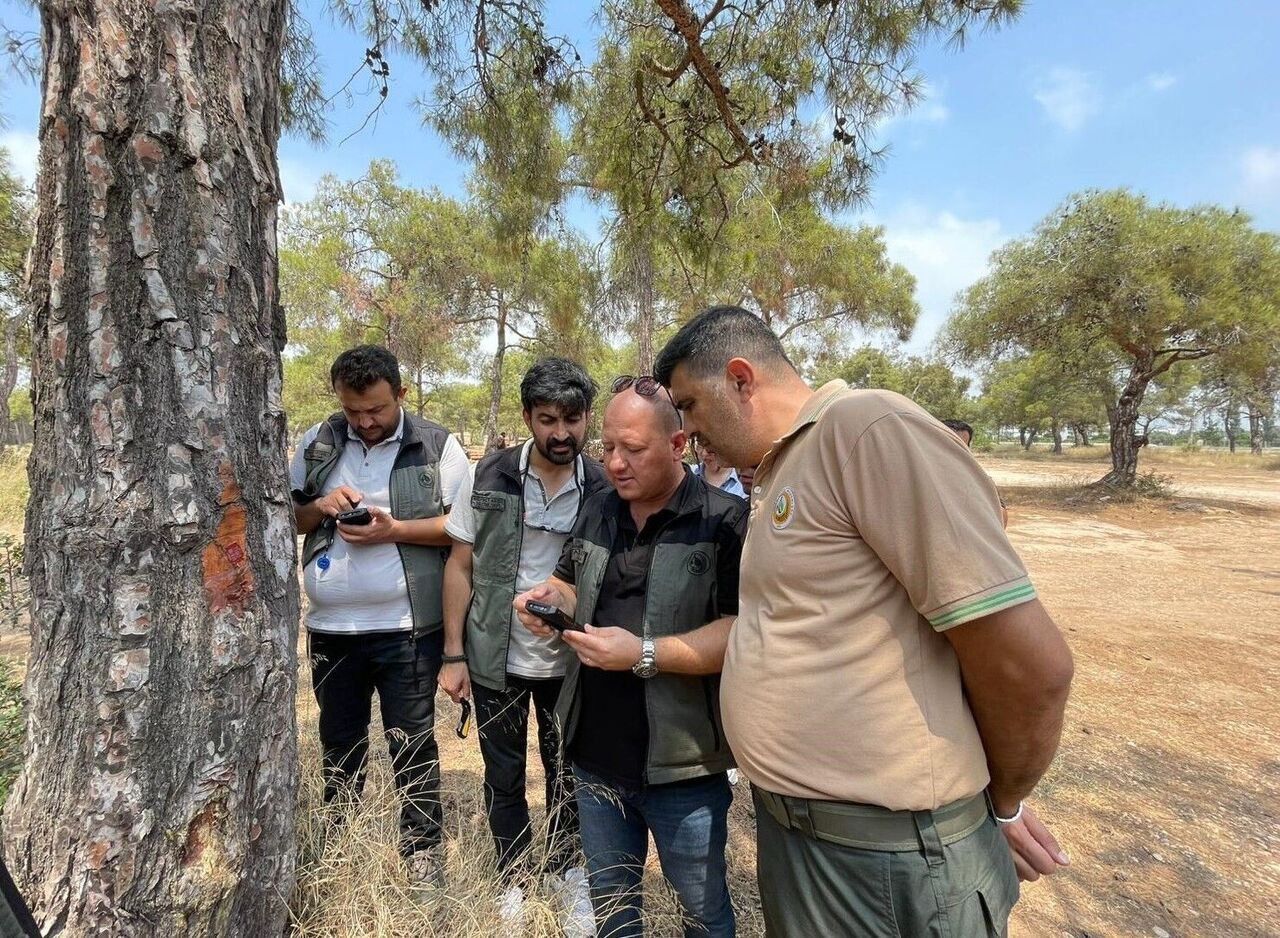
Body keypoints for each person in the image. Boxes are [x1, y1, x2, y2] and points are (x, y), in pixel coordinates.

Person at [655, 307, 1074, 937]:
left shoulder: (866, 430)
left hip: (886, 859)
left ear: (741, 379)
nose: (684, 431)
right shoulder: (782, 468)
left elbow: (1026, 664)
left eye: (688, 405)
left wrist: (1004, 805)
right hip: (811, 845)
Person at [514, 376, 748, 938]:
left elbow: (743, 633)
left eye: (634, 450)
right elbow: (569, 582)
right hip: (596, 755)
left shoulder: (724, 521)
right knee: (613, 911)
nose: (616, 464)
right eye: (609, 448)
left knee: (702, 910)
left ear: (678, 444)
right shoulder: (598, 508)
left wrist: (644, 654)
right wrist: (548, 602)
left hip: (684, 763)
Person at [290, 345, 471, 887]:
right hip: (331, 632)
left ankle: (421, 855)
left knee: (412, 744)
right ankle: (339, 847)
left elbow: (462, 532)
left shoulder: (438, 446)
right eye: (353, 412)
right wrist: (320, 507)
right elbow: (285, 516)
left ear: (402, 393)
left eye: (376, 409)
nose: (365, 422)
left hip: (407, 629)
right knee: (338, 742)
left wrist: (393, 529)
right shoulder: (317, 443)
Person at [439, 358, 606, 932]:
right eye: (547, 419)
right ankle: (513, 880)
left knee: (569, 774)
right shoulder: (487, 476)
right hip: (495, 661)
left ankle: (568, 877)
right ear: (528, 417)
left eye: (573, 419)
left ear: (589, 419)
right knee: (502, 775)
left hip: (574, 664)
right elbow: (459, 566)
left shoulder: (606, 487)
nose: (561, 433)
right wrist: (454, 654)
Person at [944, 418, 1009, 528]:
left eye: (963, 447)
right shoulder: (916, 476)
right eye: (951, 445)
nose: (958, 452)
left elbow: (1000, 518)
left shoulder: (981, 481)